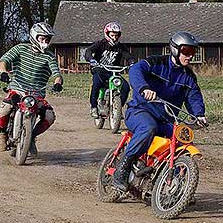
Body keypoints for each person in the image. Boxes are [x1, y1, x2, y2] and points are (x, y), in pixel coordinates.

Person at [112, 31, 208, 191]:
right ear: (175, 50)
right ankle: (123, 168)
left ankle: (180, 188)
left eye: (193, 52)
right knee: (148, 128)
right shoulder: (156, 63)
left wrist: (199, 115)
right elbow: (136, 70)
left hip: (166, 119)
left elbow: (194, 96)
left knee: (183, 139)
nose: (190, 56)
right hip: (140, 110)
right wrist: (143, 88)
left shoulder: (189, 77)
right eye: (186, 51)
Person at [0, 22, 63, 152]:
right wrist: (4, 72)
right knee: (4, 110)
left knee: (49, 116)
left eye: (47, 39)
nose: (45, 41)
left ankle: (31, 136)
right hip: (17, 89)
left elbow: (57, 74)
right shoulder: (20, 48)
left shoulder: (50, 56)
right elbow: (3, 61)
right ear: (34, 36)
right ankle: (3, 135)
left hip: (36, 94)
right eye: (42, 38)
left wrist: (57, 83)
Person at [84, 21, 136, 118]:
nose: (114, 38)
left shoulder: (121, 47)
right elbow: (88, 51)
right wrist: (91, 59)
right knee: (97, 84)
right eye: (112, 35)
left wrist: (132, 63)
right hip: (99, 69)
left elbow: (128, 56)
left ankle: (118, 109)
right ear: (107, 34)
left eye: (116, 36)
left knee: (125, 87)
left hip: (113, 71)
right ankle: (94, 107)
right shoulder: (100, 44)